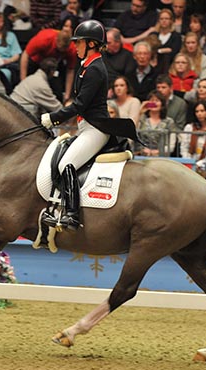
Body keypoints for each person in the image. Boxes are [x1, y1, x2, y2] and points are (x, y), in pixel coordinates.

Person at [39, 20, 138, 231]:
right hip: (85, 127)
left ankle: (72, 215)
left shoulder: (95, 69)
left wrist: (54, 118)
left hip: (96, 128)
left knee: (67, 164)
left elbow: (80, 104)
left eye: (79, 42)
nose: (75, 46)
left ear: (91, 44)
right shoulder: (86, 66)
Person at [20, 29, 77, 103]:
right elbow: (25, 55)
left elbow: (70, 70)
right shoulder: (44, 39)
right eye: (59, 48)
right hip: (35, 61)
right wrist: (23, 81)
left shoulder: (72, 49)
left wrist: (67, 94)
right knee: (31, 87)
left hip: (52, 66)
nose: (61, 51)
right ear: (56, 40)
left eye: (64, 49)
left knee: (57, 92)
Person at [135, 89, 177, 156]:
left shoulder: (169, 122)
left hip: (162, 157)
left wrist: (158, 151)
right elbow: (133, 133)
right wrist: (140, 112)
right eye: (152, 101)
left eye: (157, 101)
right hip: (142, 156)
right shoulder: (142, 120)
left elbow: (171, 145)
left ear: (162, 104)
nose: (154, 103)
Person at [0, 12, 22, 88]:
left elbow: (16, 55)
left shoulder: (10, 36)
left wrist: (8, 61)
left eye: (1, 21)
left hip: (4, 66)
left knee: (3, 74)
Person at [151, 8, 182, 75]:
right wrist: (165, 50)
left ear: (171, 20)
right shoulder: (153, 35)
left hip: (170, 67)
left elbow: (174, 52)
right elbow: (150, 51)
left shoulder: (176, 36)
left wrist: (158, 51)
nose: (164, 21)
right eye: (161, 19)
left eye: (166, 19)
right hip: (154, 67)